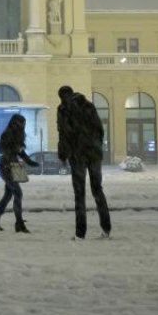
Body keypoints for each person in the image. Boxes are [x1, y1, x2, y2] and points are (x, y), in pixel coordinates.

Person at [57, 85, 112, 240]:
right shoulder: (88, 105)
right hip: (93, 153)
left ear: (62, 96)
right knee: (97, 190)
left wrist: (63, 153)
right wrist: (96, 146)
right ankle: (106, 228)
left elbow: (63, 133)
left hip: (77, 154)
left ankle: (80, 233)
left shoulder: (63, 109)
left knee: (79, 194)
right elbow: (100, 129)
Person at [0, 114, 40, 233]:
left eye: (23, 123)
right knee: (18, 193)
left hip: (15, 166)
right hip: (6, 166)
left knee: (8, 195)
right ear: (14, 123)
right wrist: (12, 151)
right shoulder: (7, 134)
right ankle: (19, 223)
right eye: (19, 123)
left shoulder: (19, 135)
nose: (21, 126)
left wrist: (29, 161)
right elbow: (1, 149)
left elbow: (21, 152)